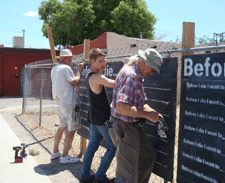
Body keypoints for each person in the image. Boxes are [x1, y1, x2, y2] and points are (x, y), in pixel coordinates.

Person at [110, 48, 164, 183]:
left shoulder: (137, 75)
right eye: (152, 69)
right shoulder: (131, 75)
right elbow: (122, 107)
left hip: (131, 126)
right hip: (125, 126)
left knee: (147, 157)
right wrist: (146, 115)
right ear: (144, 62)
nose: (151, 73)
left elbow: (139, 102)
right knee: (127, 174)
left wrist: (152, 113)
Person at [79, 48, 117, 183]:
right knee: (113, 147)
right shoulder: (96, 77)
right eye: (99, 61)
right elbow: (114, 84)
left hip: (94, 117)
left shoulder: (91, 74)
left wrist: (101, 65)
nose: (102, 63)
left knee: (92, 146)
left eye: (103, 61)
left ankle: (84, 176)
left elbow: (99, 70)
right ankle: (100, 176)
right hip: (102, 119)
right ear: (92, 61)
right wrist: (125, 66)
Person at [50, 49, 84, 164]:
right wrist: (80, 71)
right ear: (63, 58)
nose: (70, 61)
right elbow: (75, 82)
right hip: (70, 102)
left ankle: (55, 152)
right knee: (71, 130)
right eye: (69, 58)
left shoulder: (54, 69)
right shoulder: (65, 68)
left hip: (61, 102)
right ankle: (65, 156)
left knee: (62, 126)